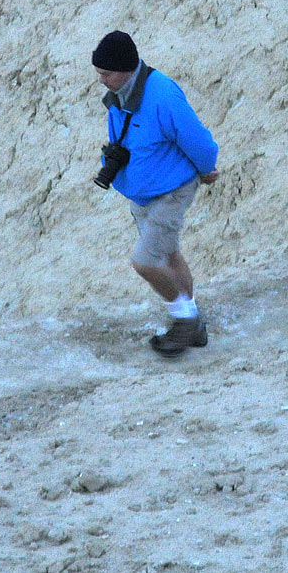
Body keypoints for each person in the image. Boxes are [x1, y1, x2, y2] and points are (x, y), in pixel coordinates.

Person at [91, 30, 219, 357]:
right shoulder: (121, 94)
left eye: (106, 74)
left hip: (171, 191)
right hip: (144, 195)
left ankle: (185, 321)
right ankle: (194, 324)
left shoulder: (162, 96)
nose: (101, 81)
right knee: (168, 255)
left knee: (145, 261)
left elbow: (199, 141)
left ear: (125, 69)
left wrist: (205, 169)